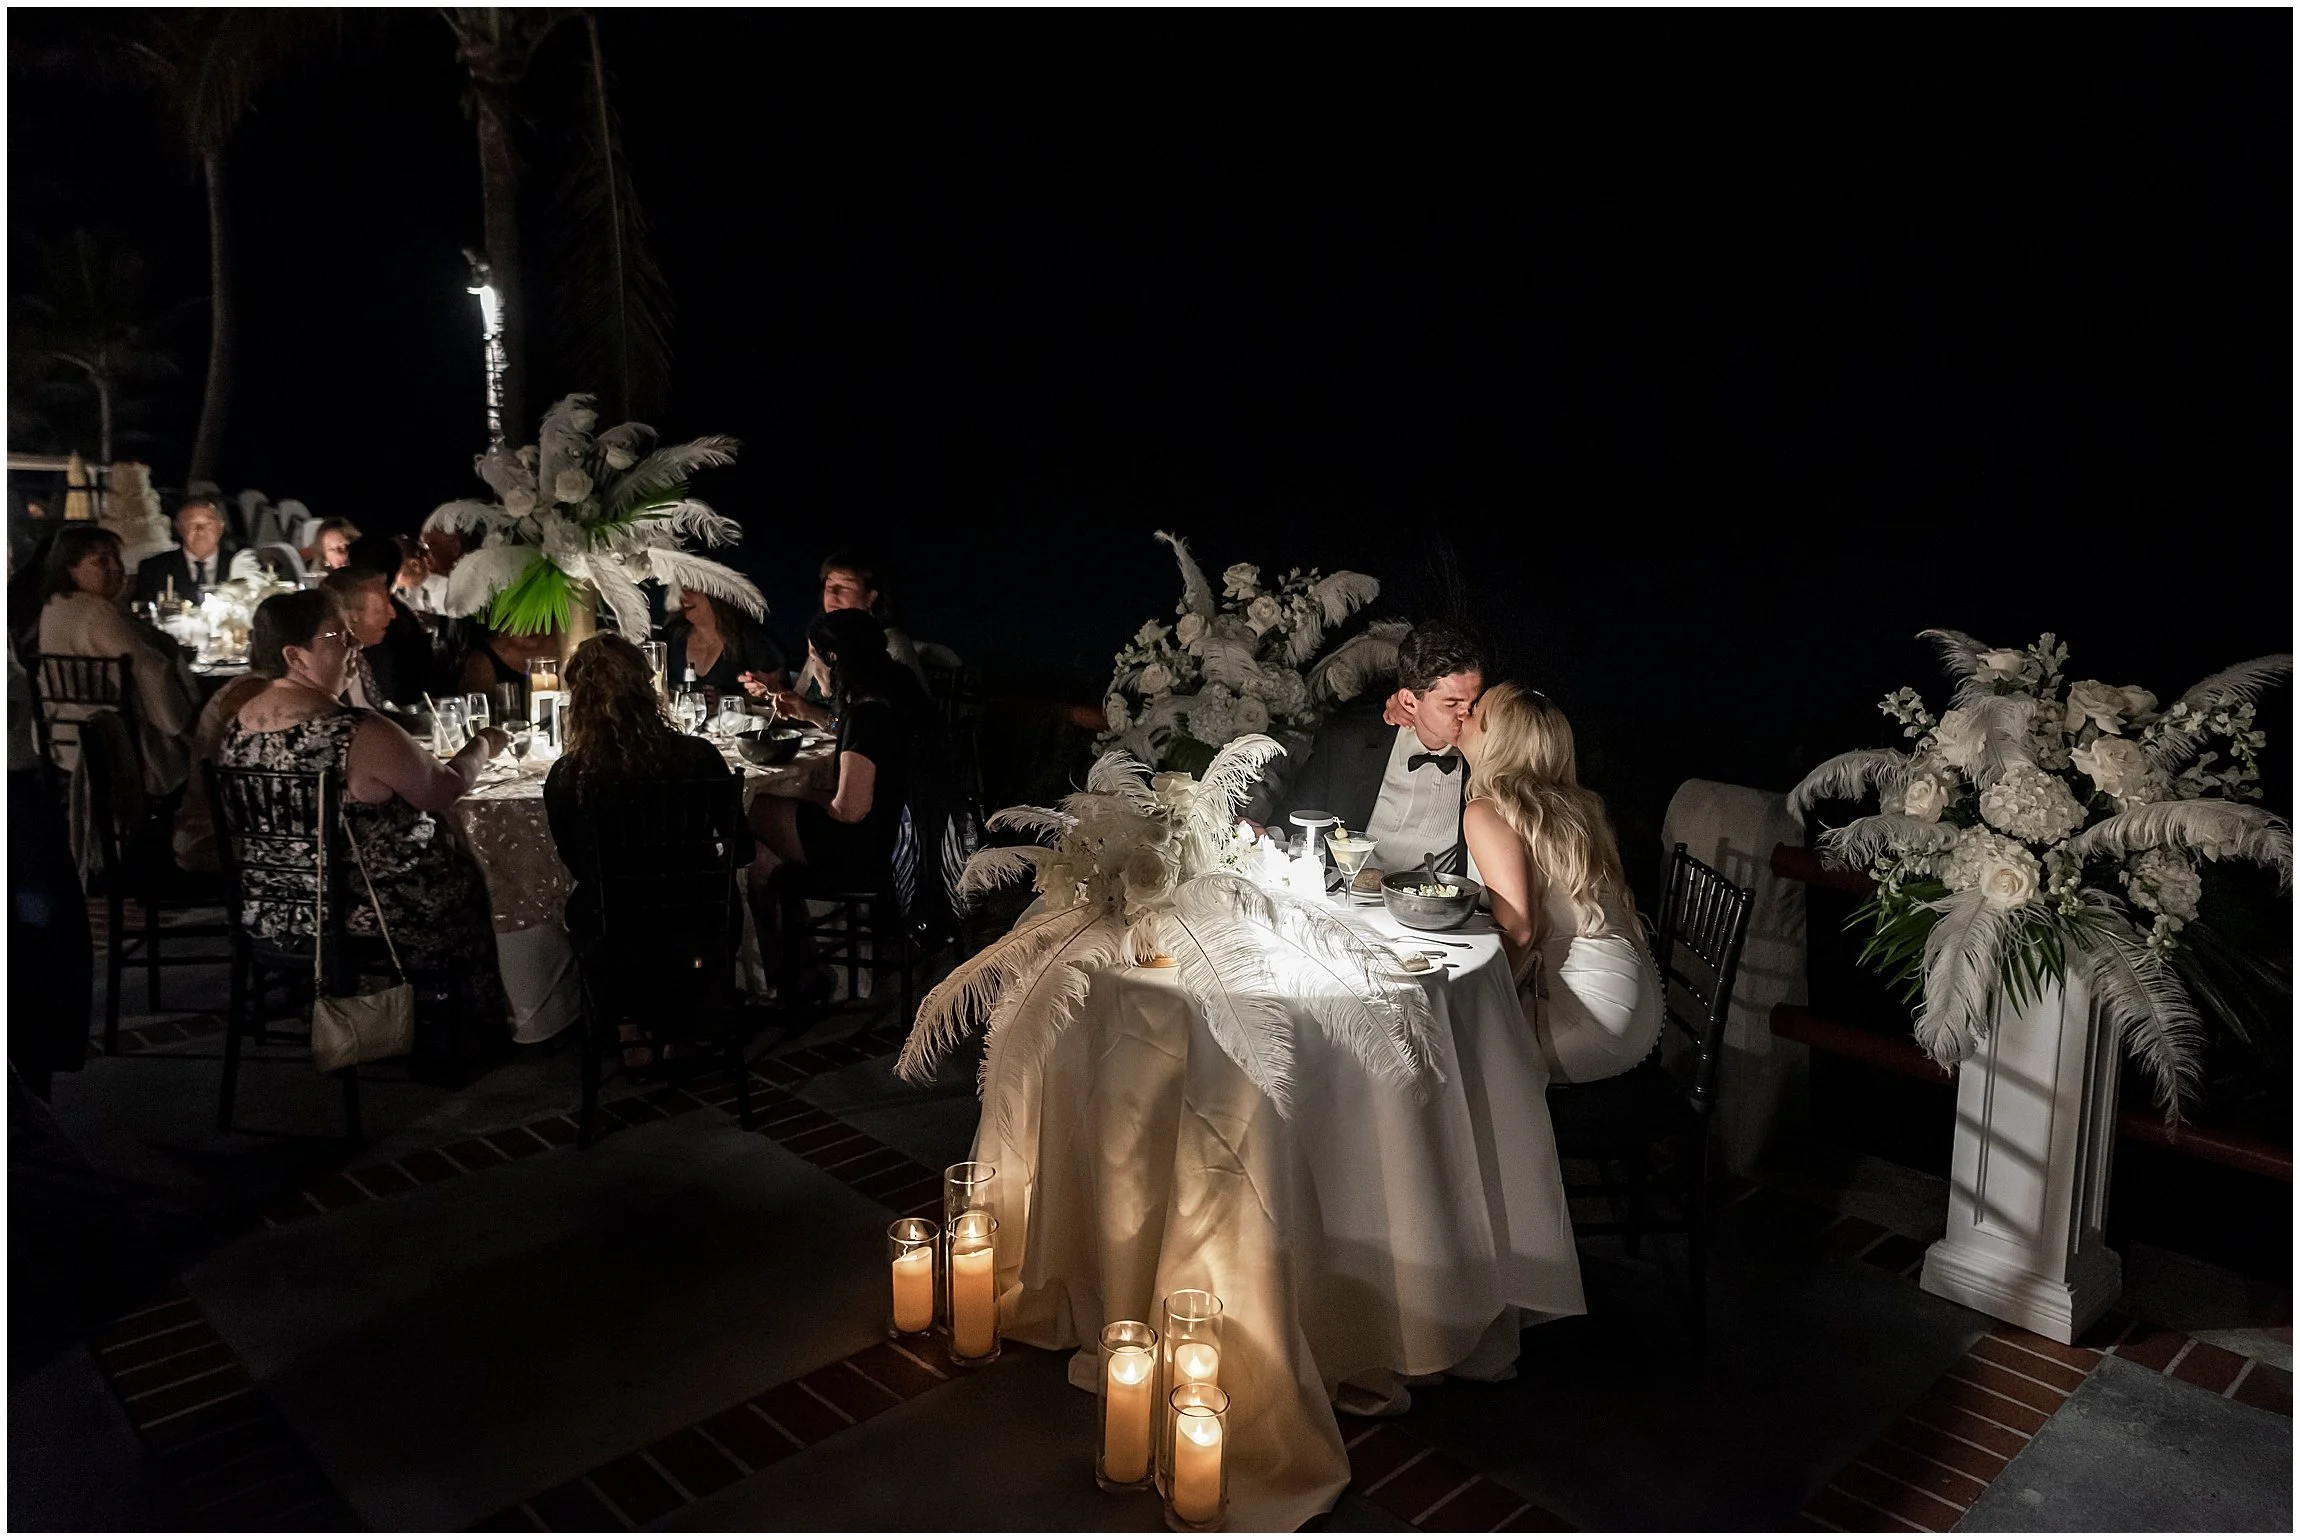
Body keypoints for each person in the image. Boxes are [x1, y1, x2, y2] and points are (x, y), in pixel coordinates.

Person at [219, 589, 513, 1078]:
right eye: (337, 636)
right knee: (470, 880)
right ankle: (468, 1033)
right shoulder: (356, 731)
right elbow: (443, 790)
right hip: (362, 911)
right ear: (295, 656)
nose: (355, 645)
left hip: (272, 909)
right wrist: (483, 743)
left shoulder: (237, 726)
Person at [1459, 682, 1661, 1085]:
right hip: (1639, 1005)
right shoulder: (1575, 806)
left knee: (1443, 1049)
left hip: (1587, 1017)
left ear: (1496, 737)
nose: (1463, 713)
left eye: (1476, 709)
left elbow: (1520, 928)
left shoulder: (1487, 810)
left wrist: (1472, 1001)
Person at [748, 608, 939, 991]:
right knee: (765, 857)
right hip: (909, 837)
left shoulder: (867, 716)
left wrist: (812, 798)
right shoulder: (893, 693)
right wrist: (812, 715)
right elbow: (857, 747)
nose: (813, 670)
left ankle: (777, 974)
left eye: (814, 659)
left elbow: (850, 811)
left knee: (756, 808)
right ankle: (793, 968)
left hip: (868, 851)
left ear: (833, 659)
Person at [1255, 620, 1486, 874]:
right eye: (1451, 704)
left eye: (1474, 702)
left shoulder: (1491, 761)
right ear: (1409, 702)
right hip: (1347, 900)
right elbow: (1298, 812)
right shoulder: (1349, 742)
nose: (1467, 714)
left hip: (1438, 907)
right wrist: (1264, 836)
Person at [36, 525, 199, 795]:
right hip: (110, 740)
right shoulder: (96, 612)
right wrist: (182, 722)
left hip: (62, 736)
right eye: (101, 561)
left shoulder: (55, 605)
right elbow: (147, 668)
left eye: (116, 559)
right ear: (70, 568)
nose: (116, 568)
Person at [763, 551, 922, 723]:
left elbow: (887, 730)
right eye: (829, 585)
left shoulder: (890, 644)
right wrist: (775, 688)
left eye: (845, 587)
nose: (833, 594)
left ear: (870, 597)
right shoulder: (825, 638)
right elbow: (807, 706)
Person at [665, 587, 785, 704]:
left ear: (715, 593)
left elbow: (780, 693)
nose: (683, 595)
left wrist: (727, 701)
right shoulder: (671, 636)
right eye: (680, 588)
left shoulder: (748, 638)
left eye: (692, 589)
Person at [319, 566, 407, 709]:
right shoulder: (328, 672)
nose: (393, 614)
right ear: (350, 617)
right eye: (383, 606)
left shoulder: (377, 653)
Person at [134, 497, 240, 607]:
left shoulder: (242, 565)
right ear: (179, 527)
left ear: (221, 526)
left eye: (208, 523)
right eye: (191, 524)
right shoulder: (154, 569)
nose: (200, 530)